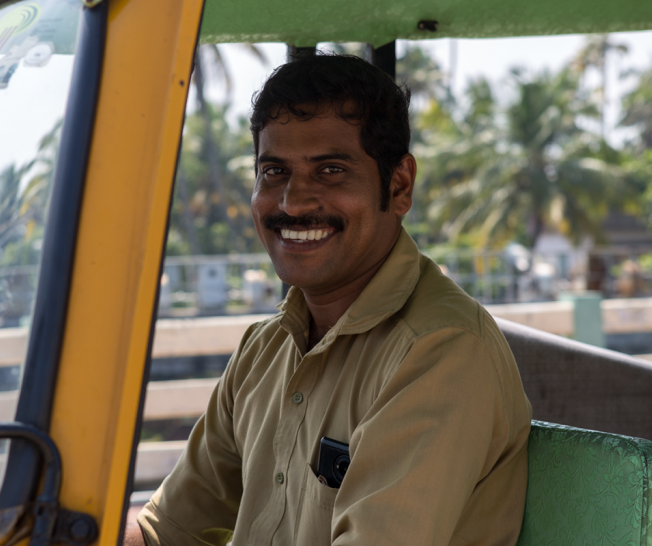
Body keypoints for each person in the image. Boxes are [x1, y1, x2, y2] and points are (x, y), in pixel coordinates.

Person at [129, 53, 532, 546]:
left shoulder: (439, 350)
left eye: (331, 171)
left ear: (399, 185)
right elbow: (168, 530)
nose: (292, 202)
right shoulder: (264, 348)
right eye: (274, 171)